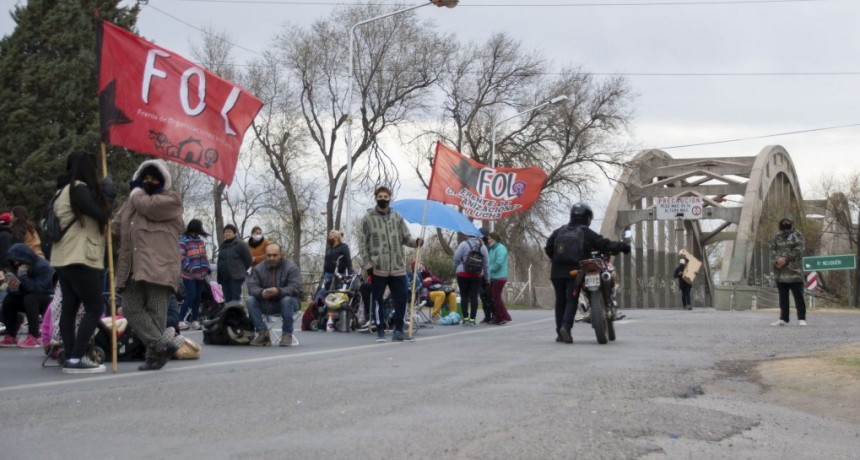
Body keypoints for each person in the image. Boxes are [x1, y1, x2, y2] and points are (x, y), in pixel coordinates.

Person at [114, 159, 185, 371]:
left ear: (163, 181)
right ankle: (161, 345)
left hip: (159, 267)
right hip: (132, 268)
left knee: (156, 313)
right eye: (145, 177)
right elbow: (116, 227)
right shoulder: (131, 203)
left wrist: (135, 192)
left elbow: (147, 206)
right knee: (130, 308)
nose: (149, 181)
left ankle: (154, 356)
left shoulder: (171, 200)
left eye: (154, 177)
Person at [49, 151, 115, 373]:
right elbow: (100, 214)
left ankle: (70, 357)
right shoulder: (78, 188)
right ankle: (77, 358)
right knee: (95, 307)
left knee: (70, 308)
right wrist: (109, 196)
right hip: (80, 256)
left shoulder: (61, 191)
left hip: (63, 257)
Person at [545, 203, 630, 344]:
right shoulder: (585, 232)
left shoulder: (560, 231)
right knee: (571, 299)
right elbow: (604, 244)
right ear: (588, 218)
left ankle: (560, 333)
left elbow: (548, 247)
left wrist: (556, 260)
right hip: (575, 270)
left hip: (556, 272)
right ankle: (566, 327)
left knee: (560, 301)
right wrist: (622, 246)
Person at [358, 186, 422, 342]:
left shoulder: (397, 217)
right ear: (375, 198)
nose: (383, 199)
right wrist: (368, 264)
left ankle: (398, 330)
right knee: (378, 299)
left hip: (397, 266)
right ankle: (379, 330)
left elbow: (406, 237)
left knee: (402, 298)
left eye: (386, 196)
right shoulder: (367, 218)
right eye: (380, 196)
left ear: (390, 198)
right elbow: (362, 243)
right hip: (377, 267)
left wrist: (416, 242)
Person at [246, 242, 302, 347]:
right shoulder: (258, 268)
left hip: (289, 303)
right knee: (250, 300)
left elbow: (295, 288)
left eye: (275, 255)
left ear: (281, 254)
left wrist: (279, 291)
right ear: (265, 255)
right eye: (269, 255)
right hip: (266, 303)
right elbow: (252, 287)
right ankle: (263, 334)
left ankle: (287, 333)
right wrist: (261, 293)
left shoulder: (291, 267)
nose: (271, 258)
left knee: (286, 300)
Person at [0, 244, 54, 348]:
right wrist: (14, 288)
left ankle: (34, 335)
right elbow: (23, 290)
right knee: (9, 300)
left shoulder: (43, 266)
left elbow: (38, 289)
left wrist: (23, 277)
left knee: (30, 298)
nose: (16, 264)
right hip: (30, 296)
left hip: (47, 298)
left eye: (17, 260)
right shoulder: (20, 267)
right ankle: (10, 335)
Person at [770, 217, 807, 327]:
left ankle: (801, 318)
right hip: (780, 273)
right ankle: (783, 319)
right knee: (783, 298)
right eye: (783, 222)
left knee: (798, 297)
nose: (785, 224)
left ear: (791, 224)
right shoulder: (777, 236)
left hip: (794, 272)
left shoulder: (797, 235)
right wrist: (777, 260)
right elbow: (772, 250)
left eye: (787, 222)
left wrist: (785, 259)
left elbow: (798, 250)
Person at [178, 219, 210, 330]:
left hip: (200, 274)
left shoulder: (200, 241)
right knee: (190, 296)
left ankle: (194, 320)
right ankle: (180, 320)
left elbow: (204, 255)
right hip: (189, 274)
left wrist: (207, 267)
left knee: (198, 298)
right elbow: (181, 256)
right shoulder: (183, 240)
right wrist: (189, 268)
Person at [453, 233, 490, 326]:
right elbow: (486, 264)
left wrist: (457, 268)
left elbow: (456, 258)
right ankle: (472, 319)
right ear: (477, 236)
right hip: (476, 275)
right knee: (474, 297)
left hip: (462, 274)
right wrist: (487, 278)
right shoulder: (483, 247)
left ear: (468, 235)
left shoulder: (463, 244)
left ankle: (465, 318)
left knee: (464, 296)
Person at [217, 223, 252, 303]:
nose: (227, 233)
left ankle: (237, 315)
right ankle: (229, 315)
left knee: (235, 299)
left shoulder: (240, 244)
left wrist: (241, 270)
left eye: (229, 231)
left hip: (236, 277)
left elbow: (248, 260)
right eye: (225, 232)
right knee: (227, 299)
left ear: (234, 233)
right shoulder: (222, 245)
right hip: (224, 278)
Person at [318, 229, 352, 299]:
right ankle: (320, 307)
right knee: (323, 293)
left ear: (336, 238)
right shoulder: (328, 248)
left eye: (331, 236)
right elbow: (326, 261)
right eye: (329, 236)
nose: (329, 238)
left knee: (335, 294)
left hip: (338, 275)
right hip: (327, 274)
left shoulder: (344, 247)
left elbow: (348, 262)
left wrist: (349, 275)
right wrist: (323, 275)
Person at [487, 231, 512, 325]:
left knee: (496, 297)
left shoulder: (501, 248)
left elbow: (498, 263)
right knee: (495, 297)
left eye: (489, 238)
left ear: (494, 239)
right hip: (493, 276)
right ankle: (498, 317)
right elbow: (490, 262)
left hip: (500, 277)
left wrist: (489, 271)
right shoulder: (492, 249)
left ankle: (504, 316)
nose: (488, 240)